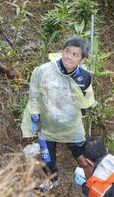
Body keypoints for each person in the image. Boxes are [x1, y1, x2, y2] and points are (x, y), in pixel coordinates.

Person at [21, 37, 96, 191]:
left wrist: (80, 113)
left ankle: (95, 187)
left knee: (83, 160)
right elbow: (34, 95)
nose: (69, 56)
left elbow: (87, 99)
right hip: (47, 127)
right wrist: (35, 115)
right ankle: (51, 181)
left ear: (82, 59)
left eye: (75, 55)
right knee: (47, 160)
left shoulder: (85, 77)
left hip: (71, 128)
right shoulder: (43, 71)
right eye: (67, 51)